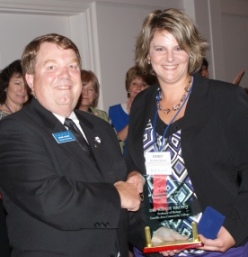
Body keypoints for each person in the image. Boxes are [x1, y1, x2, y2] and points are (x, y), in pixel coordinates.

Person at [0, 33, 145, 257]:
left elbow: (129, 203)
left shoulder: (101, 128)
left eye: (72, 66)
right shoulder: (14, 130)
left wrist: (165, 237)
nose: (65, 75)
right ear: (30, 79)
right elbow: (50, 199)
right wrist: (117, 195)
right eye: (51, 67)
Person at [126, 8, 248, 257]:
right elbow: (132, 161)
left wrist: (236, 228)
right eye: (160, 48)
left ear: (191, 52)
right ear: (148, 55)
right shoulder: (142, 103)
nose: (170, 57)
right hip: (160, 242)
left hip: (216, 241)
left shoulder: (224, 98)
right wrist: (133, 174)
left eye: (178, 47)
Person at [0, 59, 29, 257]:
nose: (22, 90)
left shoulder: (32, 118)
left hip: (27, 194)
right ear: (5, 85)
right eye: (17, 83)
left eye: (26, 85)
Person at [108, 66, 152, 154]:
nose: (139, 88)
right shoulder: (114, 111)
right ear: (128, 87)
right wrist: (134, 117)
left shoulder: (154, 110)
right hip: (123, 163)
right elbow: (114, 143)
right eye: (134, 84)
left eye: (143, 84)